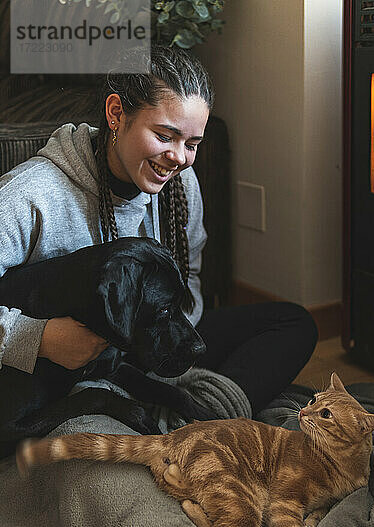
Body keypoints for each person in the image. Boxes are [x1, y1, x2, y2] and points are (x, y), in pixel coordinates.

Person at [0, 45, 317, 420]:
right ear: (116, 113)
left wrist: (173, 338)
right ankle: (198, 418)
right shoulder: (31, 194)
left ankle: (201, 415)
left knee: (295, 323)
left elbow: (192, 271)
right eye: (165, 136)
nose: (179, 158)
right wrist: (41, 340)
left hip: (152, 337)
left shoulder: (181, 185)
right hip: (71, 360)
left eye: (192, 144)